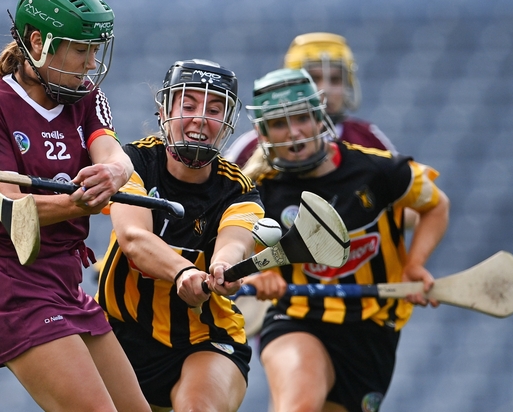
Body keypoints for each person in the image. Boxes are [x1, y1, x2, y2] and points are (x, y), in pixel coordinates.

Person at [0, 0, 149, 412]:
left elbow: (113, 154)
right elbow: (11, 209)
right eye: (80, 49)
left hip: (66, 284)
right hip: (16, 290)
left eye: (95, 50)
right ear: (38, 42)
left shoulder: (85, 96)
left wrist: (114, 174)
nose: (90, 63)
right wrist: (78, 202)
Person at [241, 68, 449, 412]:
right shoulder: (256, 190)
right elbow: (232, 248)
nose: (294, 133)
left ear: (319, 117)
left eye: (301, 118)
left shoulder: (379, 170)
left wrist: (415, 264)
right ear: (263, 132)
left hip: (372, 326)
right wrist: (255, 275)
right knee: (299, 405)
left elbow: (437, 206)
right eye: (279, 124)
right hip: (297, 314)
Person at [95, 59, 265, 412]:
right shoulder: (132, 162)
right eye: (188, 105)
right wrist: (183, 272)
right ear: (164, 111)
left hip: (205, 337)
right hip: (119, 334)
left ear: (227, 123)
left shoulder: (239, 190)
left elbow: (234, 241)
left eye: (214, 109)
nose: (201, 118)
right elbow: (133, 238)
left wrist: (223, 267)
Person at [225, 32, 396, 168]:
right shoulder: (253, 144)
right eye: (314, 78)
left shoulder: (369, 138)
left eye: (335, 80)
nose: (325, 90)